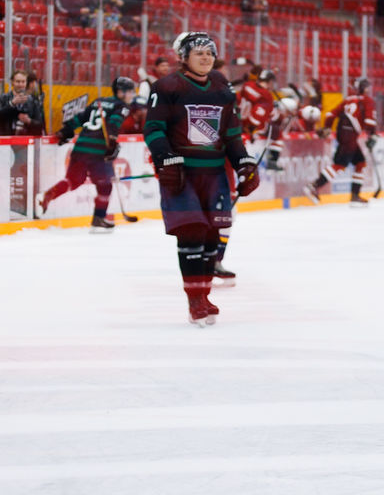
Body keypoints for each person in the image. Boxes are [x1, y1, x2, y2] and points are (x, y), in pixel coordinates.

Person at [143, 32, 258, 326]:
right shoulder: (167, 86)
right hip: (183, 174)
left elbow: (232, 133)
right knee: (191, 233)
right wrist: (166, 158)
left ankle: (204, 295)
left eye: (209, 53)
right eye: (199, 53)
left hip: (214, 173)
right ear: (183, 57)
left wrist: (244, 164)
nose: (206, 57)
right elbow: (153, 129)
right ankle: (195, 301)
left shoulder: (221, 86)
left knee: (211, 236)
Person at [37, 78, 136, 230]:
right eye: (130, 91)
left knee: (73, 180)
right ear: (121, 92)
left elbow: (79, 118)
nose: (132, 95)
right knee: (105, 186)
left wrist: (66, 131)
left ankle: (49, 194)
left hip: (81, 147)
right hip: (97, 151)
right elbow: (113, 124)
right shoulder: (121, 106)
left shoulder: (99, 101)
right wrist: (112, 142)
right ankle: (99, 217)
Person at [304, 78, 377, 207]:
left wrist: (327, 127)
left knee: (360, 162)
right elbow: (370, 121)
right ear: (365, 88)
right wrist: (372, 135)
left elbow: (329, 115)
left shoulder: (347, 100)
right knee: (340, 164)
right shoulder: (367, 100)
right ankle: (314, 186)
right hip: (350, 136)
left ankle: (355, 196)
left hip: (343, 134)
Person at [0, 69, 44, 136]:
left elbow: (40, 125)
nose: (20, 84)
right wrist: (12, 104)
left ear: (26, 83)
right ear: (12, 82)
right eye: (18, 82)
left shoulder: (32, 101)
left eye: (23, 82)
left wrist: (29, 121)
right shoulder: (3, 98)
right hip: (6, 140)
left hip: (25, 139)